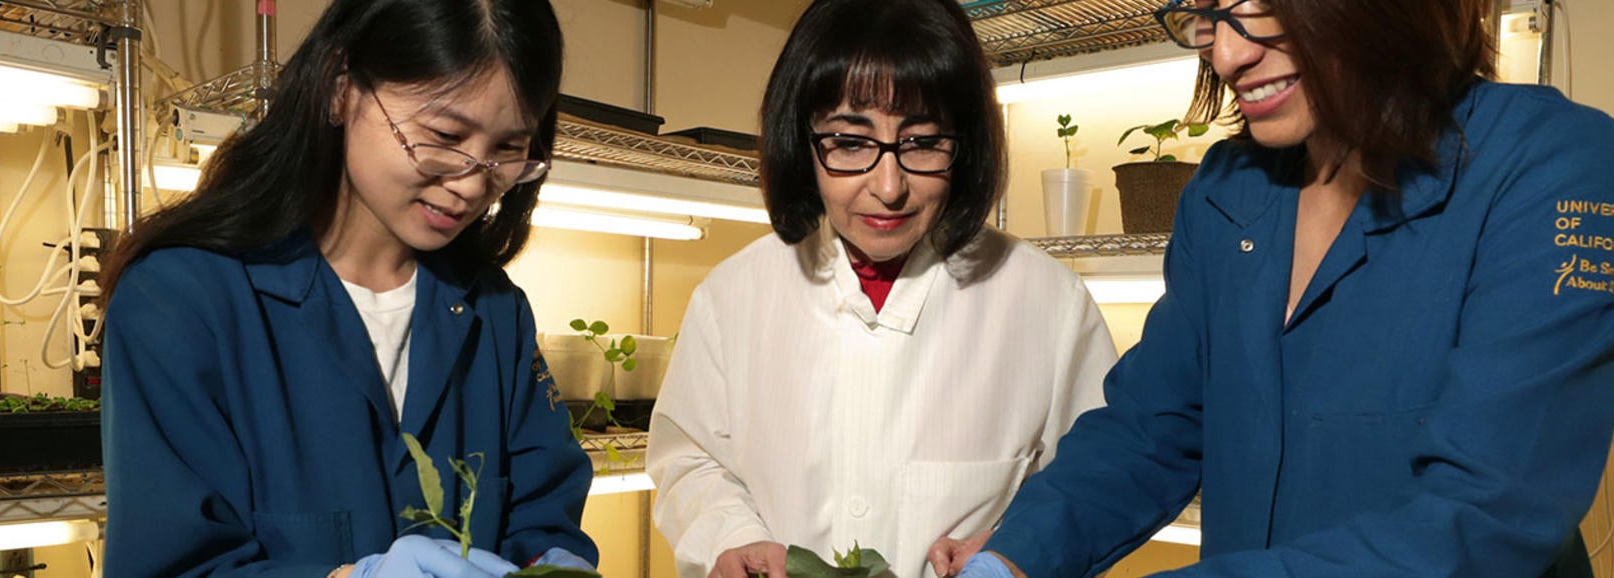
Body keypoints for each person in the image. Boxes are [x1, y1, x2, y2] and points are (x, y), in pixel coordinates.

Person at [947, 0, 1614, 576]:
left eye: (1262, 4)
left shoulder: (1551, 165)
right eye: (1207, 12)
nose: (1226, 54)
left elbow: (1484, 516)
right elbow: (1150, 429)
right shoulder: (1227, 191)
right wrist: (1014, 557)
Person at [97, 1, 595, 576]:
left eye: (508, 150)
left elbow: (544, 516)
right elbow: (170, 564)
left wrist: (553, 563)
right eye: (445, 134)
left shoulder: (495, 313)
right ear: (340, 88)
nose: (471, 183)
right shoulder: (180, 301)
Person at [645, 1, 1118, 577]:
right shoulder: (732, 297)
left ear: (964, 144)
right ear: (803, 142)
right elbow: (690, 458)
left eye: (921, 143)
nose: (889, 187)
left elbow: (1098, 482)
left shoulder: (1047, 303)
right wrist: (731, 536)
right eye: (850, 142)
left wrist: (1016, 546)